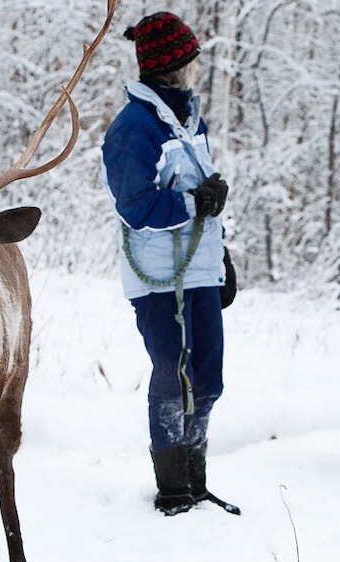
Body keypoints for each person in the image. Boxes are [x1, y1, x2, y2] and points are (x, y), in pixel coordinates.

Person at [102, 11, 239, 516]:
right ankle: (172, 489)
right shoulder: (132, 129)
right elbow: (135, 205)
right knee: (172, 373)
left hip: (197, 271)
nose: (198, 67)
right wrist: (195, 204)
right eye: (192, 59)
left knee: (209, 377)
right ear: (174, 65)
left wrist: (219, 256)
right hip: (158, 279)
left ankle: (196, 480)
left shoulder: (187, 118)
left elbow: (196, 191)